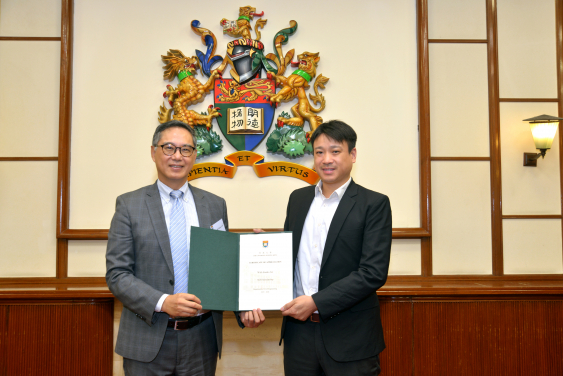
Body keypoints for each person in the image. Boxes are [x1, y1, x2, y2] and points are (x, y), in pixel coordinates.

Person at [106, 120, 264, 376]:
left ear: (194, 155)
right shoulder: (129, 205)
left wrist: (245, 304)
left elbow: (223, 267)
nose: (177, 156)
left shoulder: (214, 205)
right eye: (169, 148)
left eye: (186, 149)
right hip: (147, 339)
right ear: (153, 152)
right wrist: (164, 302)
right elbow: (117, 275)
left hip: (201, 340)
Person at [279, 120, 392, 375]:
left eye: (335, 151)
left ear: (352, 155)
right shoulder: (298, 199)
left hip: (351, 338)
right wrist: (266, 249)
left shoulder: (373, 204)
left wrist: (315, 302)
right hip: (299, 336)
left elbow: (372, 272)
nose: (326, 159)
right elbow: (289, 256)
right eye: (319, 152)